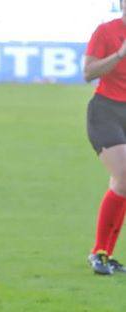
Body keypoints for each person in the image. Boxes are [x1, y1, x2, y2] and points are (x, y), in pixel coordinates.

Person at [84, 5, 126, 275]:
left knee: (123, 184)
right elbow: (88, 72)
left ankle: (103, 254)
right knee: (125, 175)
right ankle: (99, 252)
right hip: (106, 110)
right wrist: (121, 53)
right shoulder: (107, 31)